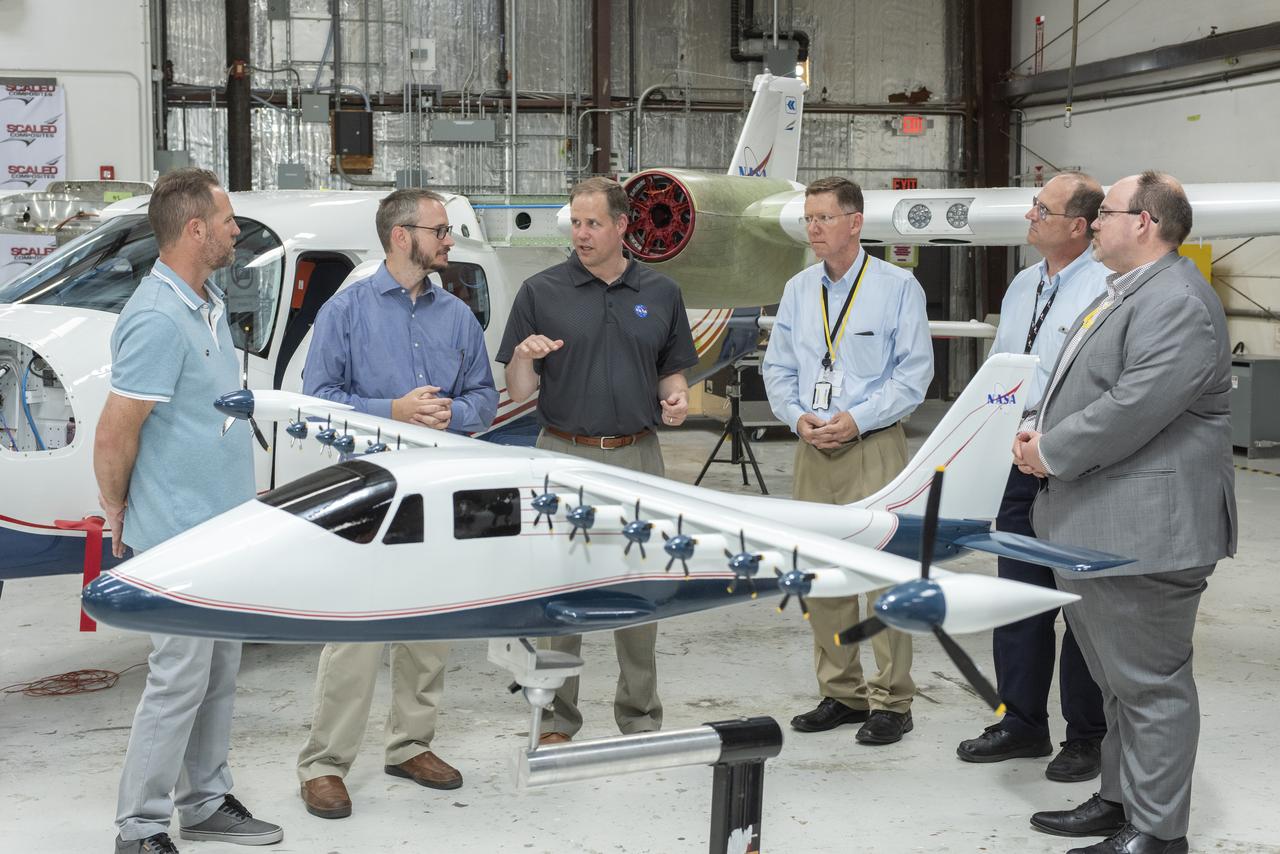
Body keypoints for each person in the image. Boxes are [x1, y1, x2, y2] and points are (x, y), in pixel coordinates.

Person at [1017, 172, 1235, 854]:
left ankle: (1158, 832)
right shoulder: (1127, 292)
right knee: (1116, 682)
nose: (1095, 223)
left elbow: (1135, 404)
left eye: (1106, 213)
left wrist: (1050, 450)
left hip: (1149, 533)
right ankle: (1120, 801)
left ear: (1143, 222)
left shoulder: (1175, 300)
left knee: (1151, 685)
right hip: (1102, 523)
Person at [96, 168, 283, 853]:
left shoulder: (201, 304)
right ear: (196, 228)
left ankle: (204, 802)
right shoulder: (154, 316)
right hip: (178, 538)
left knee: (217, 674)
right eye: (229, 220)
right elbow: (118, 430)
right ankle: (139, 828)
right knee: (178, 680)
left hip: (222, 532)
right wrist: (117, 505)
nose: (237, 230)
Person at [295, 188, 498, 819]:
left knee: (430, 629)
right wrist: (394, 412)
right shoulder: (347, 310)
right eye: (440, 231)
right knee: (355, 633)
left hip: (437, 492)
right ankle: (325, 764)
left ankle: (411, 744)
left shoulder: (457, 316)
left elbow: (485, 399)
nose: (449, 241)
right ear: (401, 236)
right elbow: (317, 400)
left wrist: (450, 414)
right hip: (366, 490)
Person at [496, 176, 698, 744]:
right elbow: (515, 391)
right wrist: (522, 356)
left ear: (622, 227)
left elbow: (671, 369)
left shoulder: (661, 292)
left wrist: (676, 398)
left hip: (639, 455)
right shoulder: (541, 291)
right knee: (562, 591)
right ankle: (557, 719)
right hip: (562, 455)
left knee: (642, 586)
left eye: (592, 224)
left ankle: (639, 717)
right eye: (575, 223)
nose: (580, 234)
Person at [762, 176, 933, 746]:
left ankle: (893, 699)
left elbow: (914, 374)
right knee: (822, 573)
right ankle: (841, 692)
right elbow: (779, 368)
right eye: (809, 219)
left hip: (874, 444)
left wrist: (857, 419)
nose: (813, 228)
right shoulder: (797, 289)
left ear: (855, 222)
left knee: (883, 571)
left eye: (824, 218)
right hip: (814, 445)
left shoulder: (897, 287)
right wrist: (795, 416)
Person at [956, 172, 1109, 781]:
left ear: (1079, 225)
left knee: (1077, 604)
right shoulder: (1024, 284)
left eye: (1042, 210)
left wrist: (1050, 441)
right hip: (1013, 460)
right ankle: (1021, 722)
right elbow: (1004, 365)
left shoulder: (1107, 287)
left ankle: (1087, 735)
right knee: (1018, 597)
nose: (1029, 216)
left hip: (1071, 463)